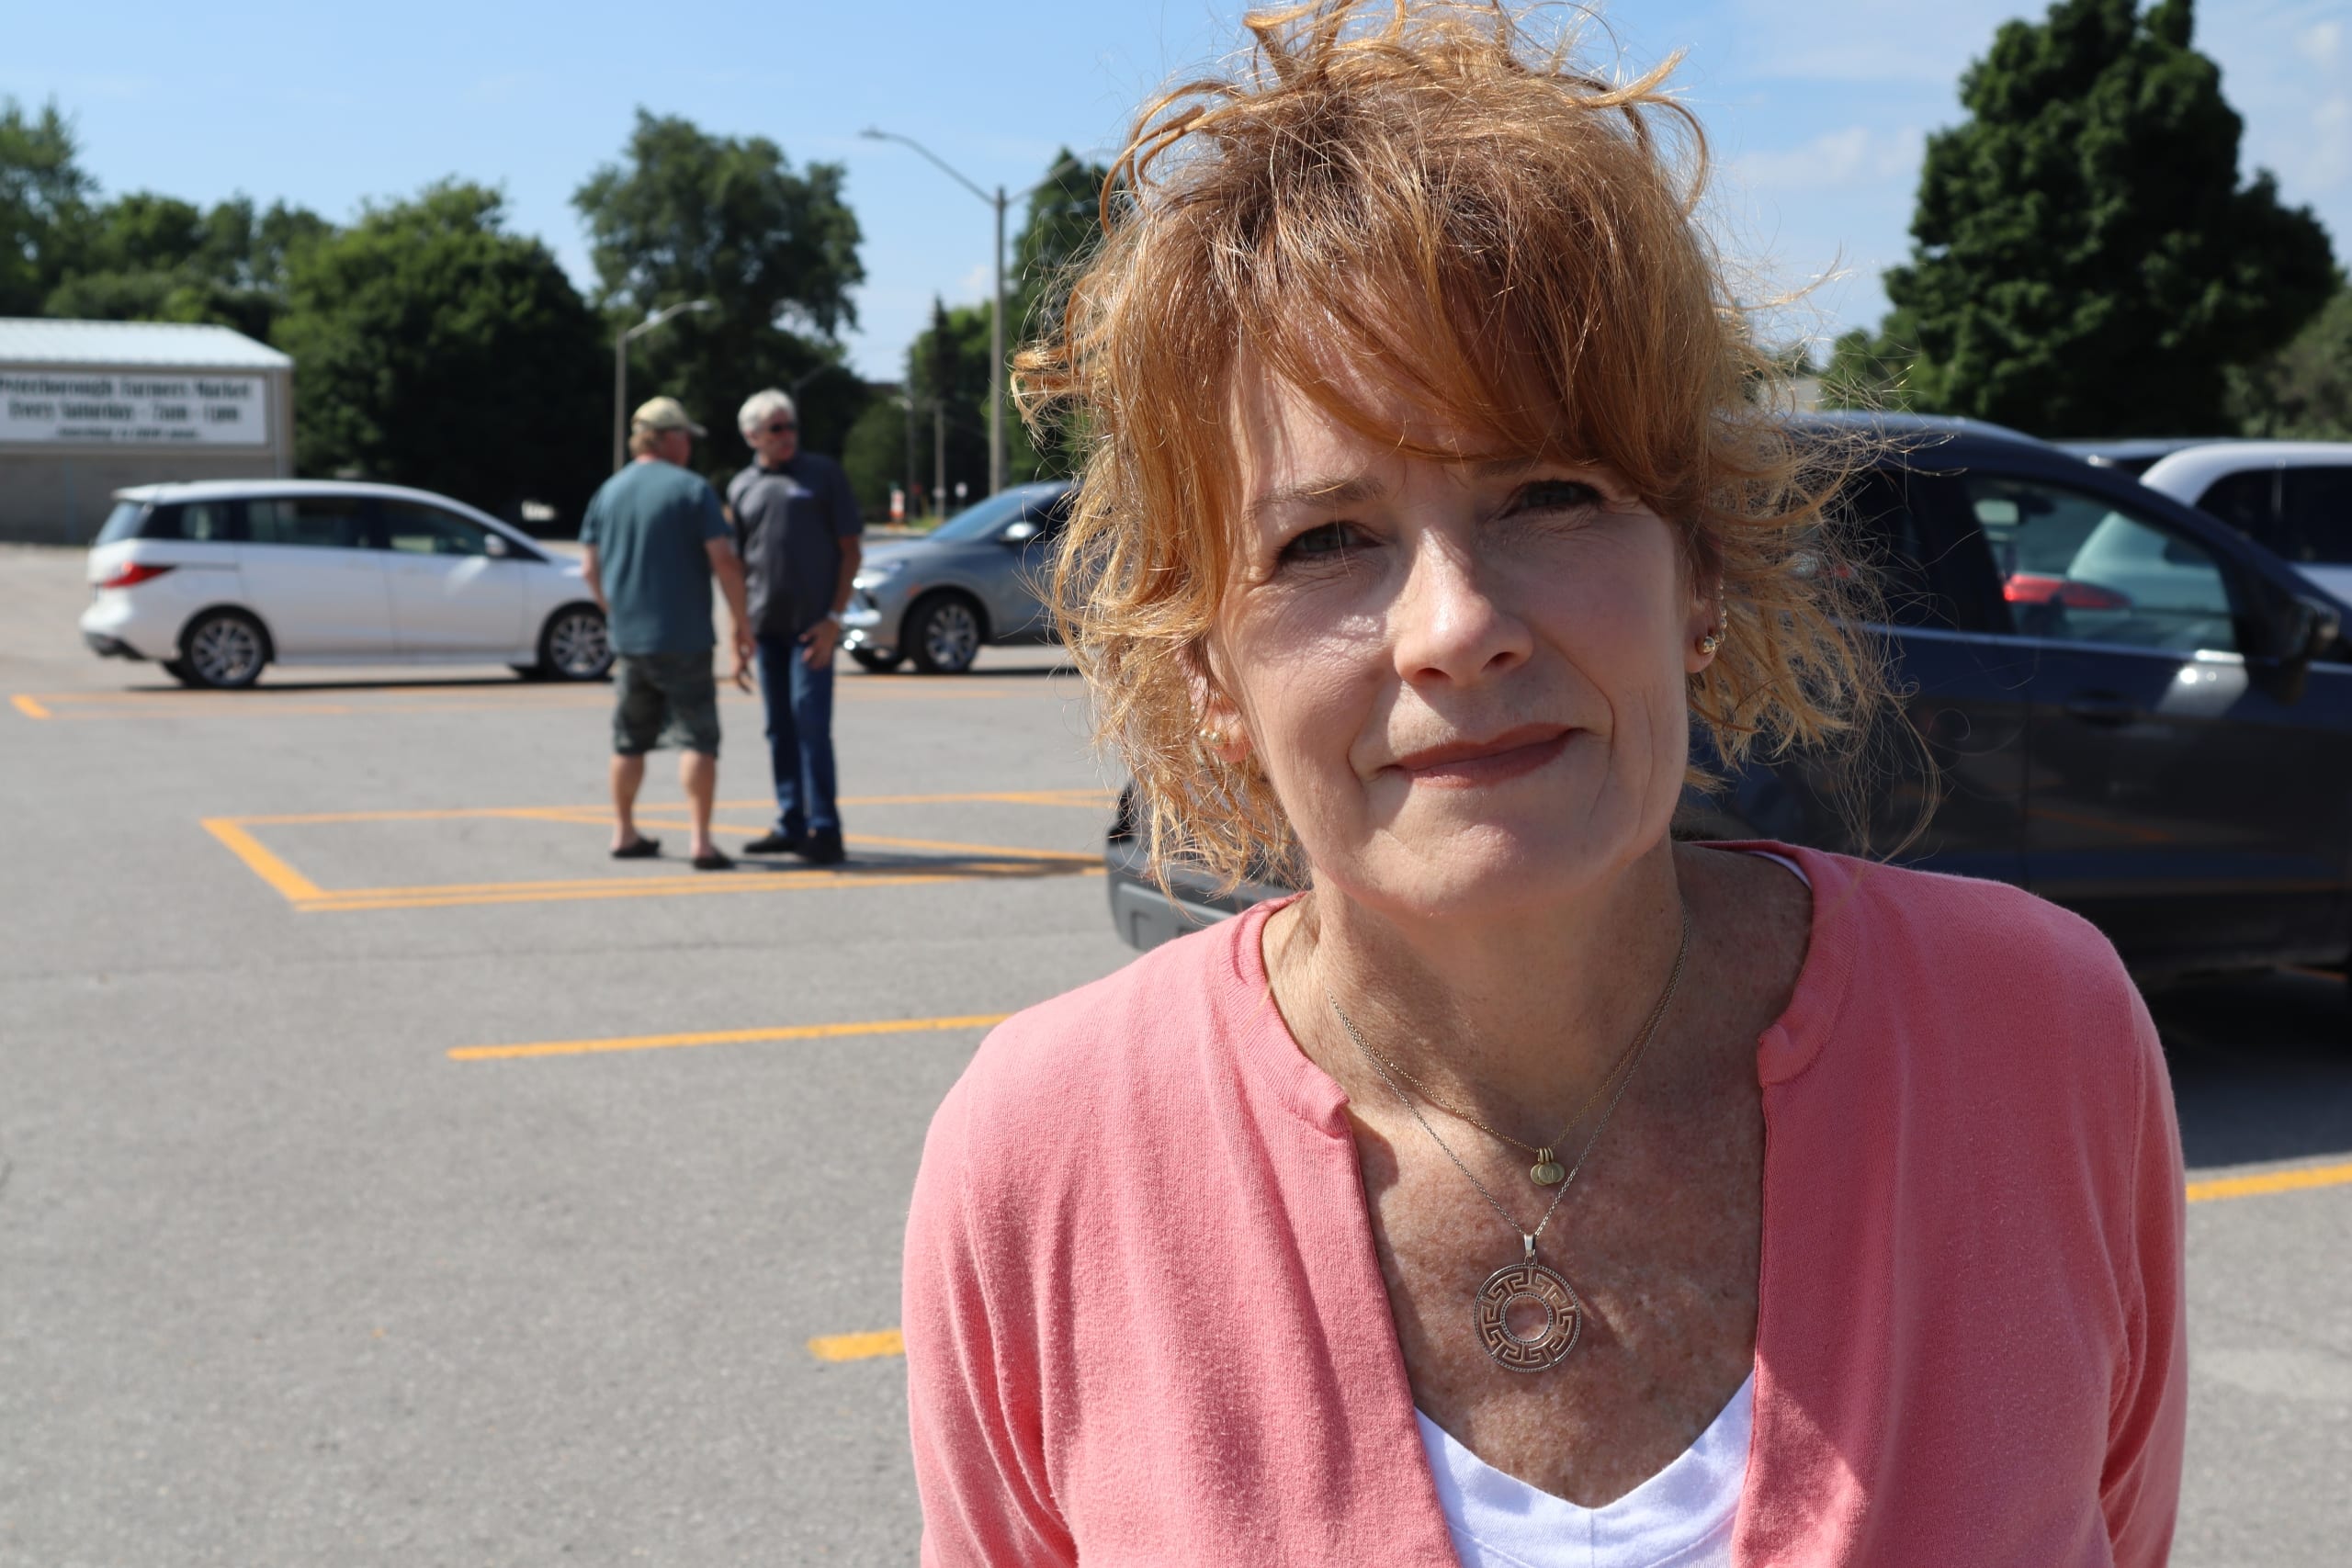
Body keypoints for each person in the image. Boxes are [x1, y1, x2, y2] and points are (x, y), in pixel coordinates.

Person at [901, 5, 2187, 1566]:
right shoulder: (1046, 1153)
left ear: (1697, 573)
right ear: (1210, 673)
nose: (1459, 628)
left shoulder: (2037, 1037)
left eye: (1549, 495)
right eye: (1326, 540)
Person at [579, 395, 753, 873]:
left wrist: (615, 611)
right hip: (686, 639)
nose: (690, 447)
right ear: (670, 437)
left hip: (631, 640)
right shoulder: (692, 491)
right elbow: (724, 562)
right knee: (697, 739)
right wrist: (742, 625)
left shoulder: (608, 492)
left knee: (628, 740)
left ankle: (624, 831)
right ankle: (700, 841)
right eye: (686, 438)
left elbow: (588, 567)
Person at [726, 387, 863, 864]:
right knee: (778, 728)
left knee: (810, 725)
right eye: (776, 429)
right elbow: (737, 566)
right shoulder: (741, 487)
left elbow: (851, 551)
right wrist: (738, 630)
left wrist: (833, 620)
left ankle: (825, 828)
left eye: (791, 426)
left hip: (812, 630)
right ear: (752, 436)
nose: (788, 436)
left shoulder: (822, 476)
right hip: (767, 629)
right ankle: (791, 820)